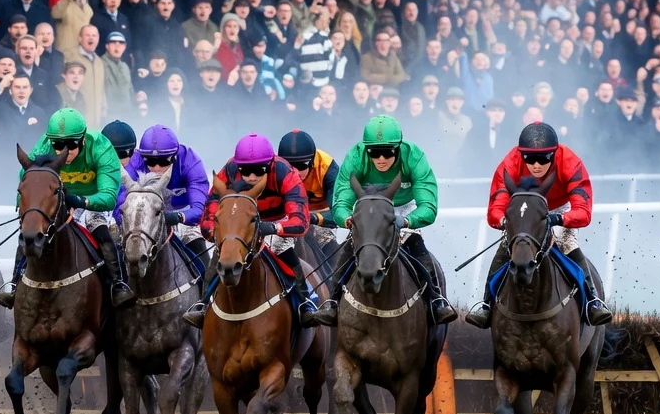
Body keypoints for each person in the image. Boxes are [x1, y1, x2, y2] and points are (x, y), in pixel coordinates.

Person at [305, 115, 458, 327]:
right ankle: (332, 301)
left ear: (399, 147)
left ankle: (436, 299)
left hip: (404, 206)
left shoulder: (414, 157)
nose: (381, 159)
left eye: (388, 152)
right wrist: (347, 219)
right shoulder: (355, 158)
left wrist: (406, 221)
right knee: (352, 245)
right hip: (369, 207)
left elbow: (428, 207)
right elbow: (341, 202)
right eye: (375, 153)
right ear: (366, 150)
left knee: (415, 241)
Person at [464, 122, 612, 328]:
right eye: (529, 159)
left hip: (560, 209)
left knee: (567, 242)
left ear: (554, 153)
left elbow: (584, 212)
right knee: (508, 244)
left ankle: (593, 300)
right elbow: (495, 209)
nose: (536, 165)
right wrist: (507, 222)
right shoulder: (509, 163)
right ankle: (486, 304)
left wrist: (559, 219)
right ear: (520, 154)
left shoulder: (570, 162)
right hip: (525, 209)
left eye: (543, 159)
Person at [0, 107, 134, 309]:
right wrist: (24, 212)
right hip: (57, 199)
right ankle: (14, 284)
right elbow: (27, 178)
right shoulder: (43, 146)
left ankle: (118, 284)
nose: (64, 151)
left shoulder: (102, 148)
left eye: (71, 145)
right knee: (30, 231)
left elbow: (109, 197)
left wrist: (78, 200)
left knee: (98, 226)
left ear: (83, 140)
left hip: (92, 200)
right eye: (58, 146)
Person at [182, 132, 316, 327]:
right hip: (240, 223)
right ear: (238, 166)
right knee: (222, 253)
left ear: (269, 165)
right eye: (246, 171)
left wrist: (272, 228)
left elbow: (300, 221)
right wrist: (222, 236)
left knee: (282, 248)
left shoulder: (286, 173)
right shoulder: (227, 172)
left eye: (259, 171)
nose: (252, 177)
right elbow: (208, 218)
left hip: (277, 221)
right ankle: (202, 304)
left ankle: (306, 303)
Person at [277, 129, 340, 249]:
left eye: (301, 166)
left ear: (312, 162)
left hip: (320, 217)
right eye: (290, 166)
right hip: (288, 217)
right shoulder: (276, 169)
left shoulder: (327, 169)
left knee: (326, 241)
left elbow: (339, 212)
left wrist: (312, 217)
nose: (295, 172)